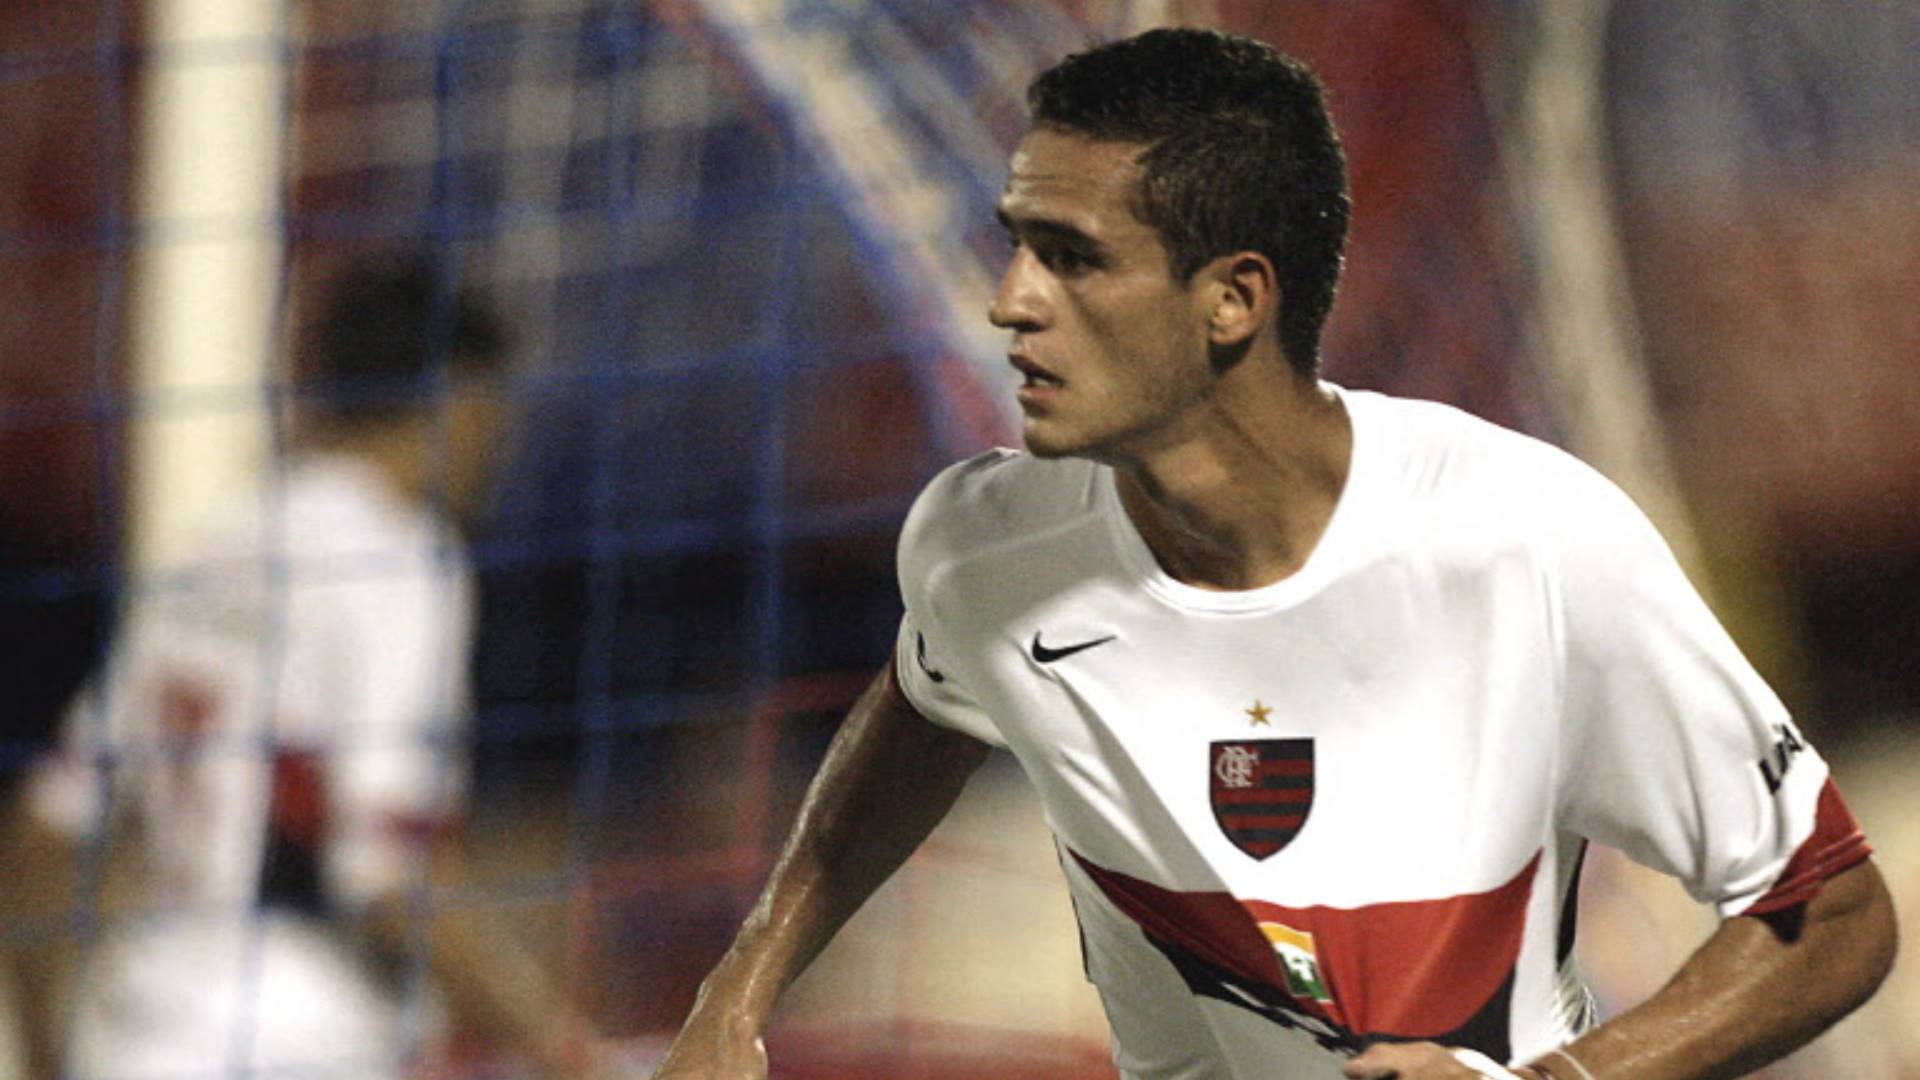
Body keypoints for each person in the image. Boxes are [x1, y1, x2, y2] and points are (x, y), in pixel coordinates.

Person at [652, 28, 1896, 1080]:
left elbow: (1832, 913)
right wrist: (745, 981)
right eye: (1018, 243)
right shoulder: (984, 542)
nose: (1011, 299)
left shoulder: (1524, 540)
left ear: (1234, 299)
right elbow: (923, 701)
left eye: (1074, 256)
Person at [0, 255, 593, 1079]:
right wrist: (568, 1056)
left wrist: (41, 1057)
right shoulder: (399, 559)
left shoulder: (216, 543)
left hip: (138, 1030)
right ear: (462, 400)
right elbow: (389, 878)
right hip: (303, 1033)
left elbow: (41, 836)